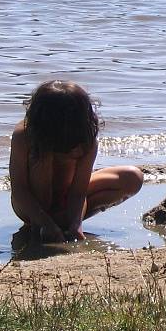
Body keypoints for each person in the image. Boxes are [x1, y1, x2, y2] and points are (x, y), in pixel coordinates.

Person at [9, 80, 144, 242]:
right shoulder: (24, 136)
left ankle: (63, 222)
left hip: (69, 200)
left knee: (132, 177)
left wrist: (76, 225)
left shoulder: (85, 138)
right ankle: (46, 223)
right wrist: (45, 222)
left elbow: (78, 192)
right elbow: (20, 190)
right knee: (43, 158)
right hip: (31, 206)